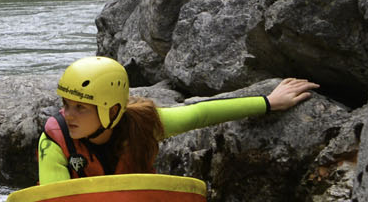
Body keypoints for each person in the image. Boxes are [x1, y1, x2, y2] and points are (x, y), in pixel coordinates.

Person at [40, 55, 320, 183]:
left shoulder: (143, 124)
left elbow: (201, 114)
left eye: (80, 108)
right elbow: (52, 199)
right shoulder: (55, 139)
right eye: (66, 105)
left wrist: (269, 102)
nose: (68, 114)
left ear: (112, 111)